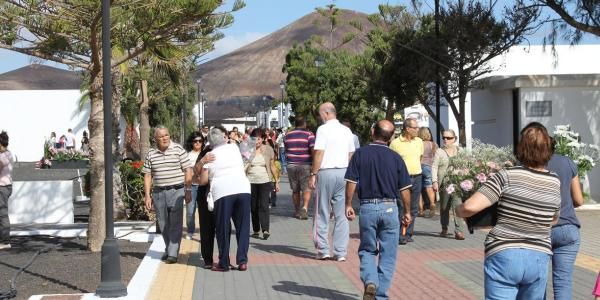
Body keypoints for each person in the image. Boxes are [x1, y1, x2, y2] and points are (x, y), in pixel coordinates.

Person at [456, 124, 561, 299]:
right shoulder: (554, 181)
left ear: (521, 147)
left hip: (504, 252)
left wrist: (459, 209)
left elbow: (470, 207)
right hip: (538, 256)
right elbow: (554, 220)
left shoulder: (507, 175)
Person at [344, 120, 412, 300]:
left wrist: (348, 204)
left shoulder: (360, 154)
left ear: (373, 131)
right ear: (391, 137)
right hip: (390, 207)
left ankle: (370, 281)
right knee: (388, 254)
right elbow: (405, 189)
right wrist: (407, 211)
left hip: (367, 207)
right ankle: (380, 295)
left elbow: (351, 182)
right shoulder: (396, 158)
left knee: (367, 249)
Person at [525, 122, 584, 300]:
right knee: (563, 282)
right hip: (568, 230)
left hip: (539, 230)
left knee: (537, 281)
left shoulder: (526, 165)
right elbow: (579, 200)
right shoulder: (567, 162)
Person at [198, 126, 251, 272]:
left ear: (209, 141)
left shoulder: (210, 155)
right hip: (243, 189)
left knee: (222, 227)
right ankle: (242, 261)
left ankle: (224, 263)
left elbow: (202, 181)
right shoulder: (234, 147)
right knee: (243, 226)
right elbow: (247, 149)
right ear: (224, 137)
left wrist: (201, 165)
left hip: (222, 192)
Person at [308, 102, 355, 261]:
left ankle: (323, 249)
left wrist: (313, 173)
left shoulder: (323, 129)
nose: (320, 117)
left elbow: (319, 152)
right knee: (342, 214)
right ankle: (340, 252)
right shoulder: (346, 130)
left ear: (326, 113)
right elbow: (351, 154)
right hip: (344, 172)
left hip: (326, 172)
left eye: (321, 114)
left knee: (322, 211)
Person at [142, 126, 194, 264]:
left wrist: (188, 191)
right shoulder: (151, 154)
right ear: (155, 139)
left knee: (175, 223)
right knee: (163, 223)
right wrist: (147, 195)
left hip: (176, 191)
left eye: (166, 135)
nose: (165, 138)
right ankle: (169, 248)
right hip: (159, 192)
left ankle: (172, 253)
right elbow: (147, 175)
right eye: (161, 136)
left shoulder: (178, 150)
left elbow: (188, 170)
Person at [389, 118, 424, 245]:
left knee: (414, 207)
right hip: (402, 179)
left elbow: (420, 158)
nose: (417, 130)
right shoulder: (395, 143)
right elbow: (391, 163)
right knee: (401, 206)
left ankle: (408, 233)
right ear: (407, 129)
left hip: (417, 176)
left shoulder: (419, 141)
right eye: (415, 128)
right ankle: (400, 234)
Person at [432, 129, 465, 240]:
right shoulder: (439, 151)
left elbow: (466, 164)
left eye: (449, 138)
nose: (445, 140)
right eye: (444, 137)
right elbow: (434, 166)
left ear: (454, 139)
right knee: (444, 207)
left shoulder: (460, 150)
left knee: (458, 206)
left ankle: (459, 231)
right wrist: (434, 181)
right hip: (444, 183)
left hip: (457, 183)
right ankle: (444, 227)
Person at [246, 128, 279, 240]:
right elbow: (243, 166)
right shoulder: (248, 150)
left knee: (264, 205)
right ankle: (256, 229)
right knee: (253, 206)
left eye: (259, 139)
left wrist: (276, 181)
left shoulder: (268, 149)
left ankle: (265, 229)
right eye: (254, 139)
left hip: (265, 180)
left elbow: (272, 166)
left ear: (262, 139)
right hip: (250, 181)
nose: (257, 141)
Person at [284, 116, 315, 220]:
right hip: (305, 164)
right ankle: (305, 208)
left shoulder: (288, 135)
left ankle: (297, 211)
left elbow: (287, 148)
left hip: (291, 165)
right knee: (306, 188)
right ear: (304, 123)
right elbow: (312, 150)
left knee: (295, 190)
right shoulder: (309, 135)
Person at [194, 142, 216, 269]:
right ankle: (207, 258)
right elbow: (195, 171)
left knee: (223, 228)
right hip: (204, 194)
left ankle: (224, 258)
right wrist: (202, 160)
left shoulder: (228, 152)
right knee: (206, 228)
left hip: (221, 193)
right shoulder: (205, 152)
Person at [183, 132, 204, 240]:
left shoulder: (205, 154)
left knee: (203, 211)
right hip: (191, 186)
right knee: (190, 211)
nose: (197, 143)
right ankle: (190, 230)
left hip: (203, 186)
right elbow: (185, 171)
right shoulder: (187, 155)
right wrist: (187, 187)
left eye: (200, 141)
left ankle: (204, 232)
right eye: (195, 141)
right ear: (191, 142)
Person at [418, 127, 437, 218]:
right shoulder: (433, 144)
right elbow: (435, 157)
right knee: (429, 186)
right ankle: (432, 203)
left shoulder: (417, 144)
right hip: (429, 167)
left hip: (418, 166)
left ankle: (421, 210)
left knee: (418, 189)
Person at [0, 131, 14, 250]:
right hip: (7, 185)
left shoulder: (2, 157)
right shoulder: (9, 153)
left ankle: (5, 241)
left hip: (2, 187)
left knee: (2, 214)